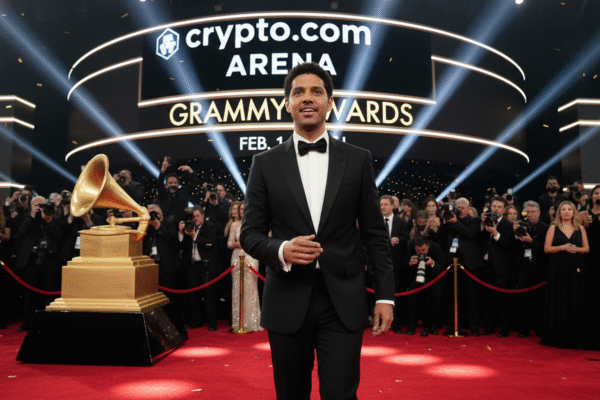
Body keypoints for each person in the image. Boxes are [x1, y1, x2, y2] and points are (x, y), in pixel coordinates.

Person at [240, 62, 394, 400]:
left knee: (341, 395)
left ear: (330, 102)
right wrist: (282, 249)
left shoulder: (358, 159)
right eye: (298, 92)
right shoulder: (264, 163)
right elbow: (249, 234)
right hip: (287, 297)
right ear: (287, 103)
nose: (307, 98)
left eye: (316, 91)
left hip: (343, 300)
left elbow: (374, 234)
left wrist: (385, 295)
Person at [542, 201, 589, 348]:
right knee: (559, 297)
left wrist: (576, 249)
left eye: (569, 209)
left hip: (576, 267)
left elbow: (586, 249)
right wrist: (562, 247)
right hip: (558, 268)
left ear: (574, 212)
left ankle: (576, 336)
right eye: (564, 209)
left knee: (575, 299)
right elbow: (547, 249)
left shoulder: (580, 228)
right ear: (559, 212)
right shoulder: (553, 228)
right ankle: (558, 336)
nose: (567, 212)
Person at [438, 197, 483, 336]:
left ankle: (473, 326)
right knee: (454, 297)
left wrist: (456, 222)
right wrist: (444, 223)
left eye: (463, 208)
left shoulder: (474, 221)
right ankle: (456, 325)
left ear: (468, 209)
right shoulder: (449, 221)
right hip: (453, 263)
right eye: (458, 207)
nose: (461, 210)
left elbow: (470, 234)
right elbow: (440, 238)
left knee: (472, 296)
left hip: (470, 264)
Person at [178, 205, 219, 331]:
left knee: (209, 294)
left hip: (206, 266)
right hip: (192, 266)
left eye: (197, 216)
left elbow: (209, 244)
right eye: (193, 216)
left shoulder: (210, 226)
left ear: (203, 216)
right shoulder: (189, 227)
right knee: (193, 295)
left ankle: (212, 322)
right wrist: (181, 233)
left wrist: (195, 235)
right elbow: (182, 246)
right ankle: (197, 320)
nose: (195, 218)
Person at [479, 196, 515, 337]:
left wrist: (495, 233)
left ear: (504, 210)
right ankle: (489, 327)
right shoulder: (485, 222)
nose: (496, 209)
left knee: (503, 300)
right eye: (494, 206)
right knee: (487, 298)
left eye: (499, 207)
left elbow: (509, 245)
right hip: (485, 265)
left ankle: (505, 328)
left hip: (501, 268)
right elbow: (478, 240)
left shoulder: (508, 225)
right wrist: (482, 226)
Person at [513, 201, 549, 337]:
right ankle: (524, 328)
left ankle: (539, 327)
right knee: (523, 299)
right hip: (523, 266)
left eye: (533, 212)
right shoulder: (520, 226)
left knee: (540, 299)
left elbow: (545, 248)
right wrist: (515, 234)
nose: (530, 214)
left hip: (540, 267)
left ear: (539, 213)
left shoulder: (546, 228)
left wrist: (531, 241)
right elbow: (513, 247)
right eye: (527, 212)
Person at [228, 202, 262, 332]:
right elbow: (229, 243)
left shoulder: (255, 224)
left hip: (251, 258)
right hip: (237, 257)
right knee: (237, 289)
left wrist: (245, 244)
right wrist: (236, 244)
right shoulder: (235, 225)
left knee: (251, 289)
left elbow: (258, 242)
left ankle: (252, 322)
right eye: (240, 209)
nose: (242, 211)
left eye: (244, 208)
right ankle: (238, 322)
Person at [404, 235, 446, 336]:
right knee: (411, 297)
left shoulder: (436, 248)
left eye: (423, 250)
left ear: (428, 246)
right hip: (416, 276)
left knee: (437, 295)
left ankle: (432, 325)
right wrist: (410, 263)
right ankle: (411, 325)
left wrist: (432, 263)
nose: (421, 253)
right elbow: (404, 266)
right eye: (418, 251)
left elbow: (442, 267)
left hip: (433, 277)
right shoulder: (410, 247)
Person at [380, 195, 408, 334]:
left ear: (392, 206)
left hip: (396, 264)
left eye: (386, 204)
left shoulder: (401, 222)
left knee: (395, 293)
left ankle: (395, 323)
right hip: (379, 263)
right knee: (380, 293)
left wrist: (398, 240)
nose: (383, 207)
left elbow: (406, 238)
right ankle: (379, 322)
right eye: (381, 205)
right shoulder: (375, 221)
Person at [157, 157, 198, 224]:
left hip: (182, 225)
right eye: (170, 183)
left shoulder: (184, 192)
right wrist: (163, 171)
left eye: (175, 183)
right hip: (166, 226)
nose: (173, 185)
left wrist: (190, 170)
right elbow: (159, 184)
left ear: (178, 184)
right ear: (166, 185)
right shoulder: (163, 194)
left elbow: (195, 183)